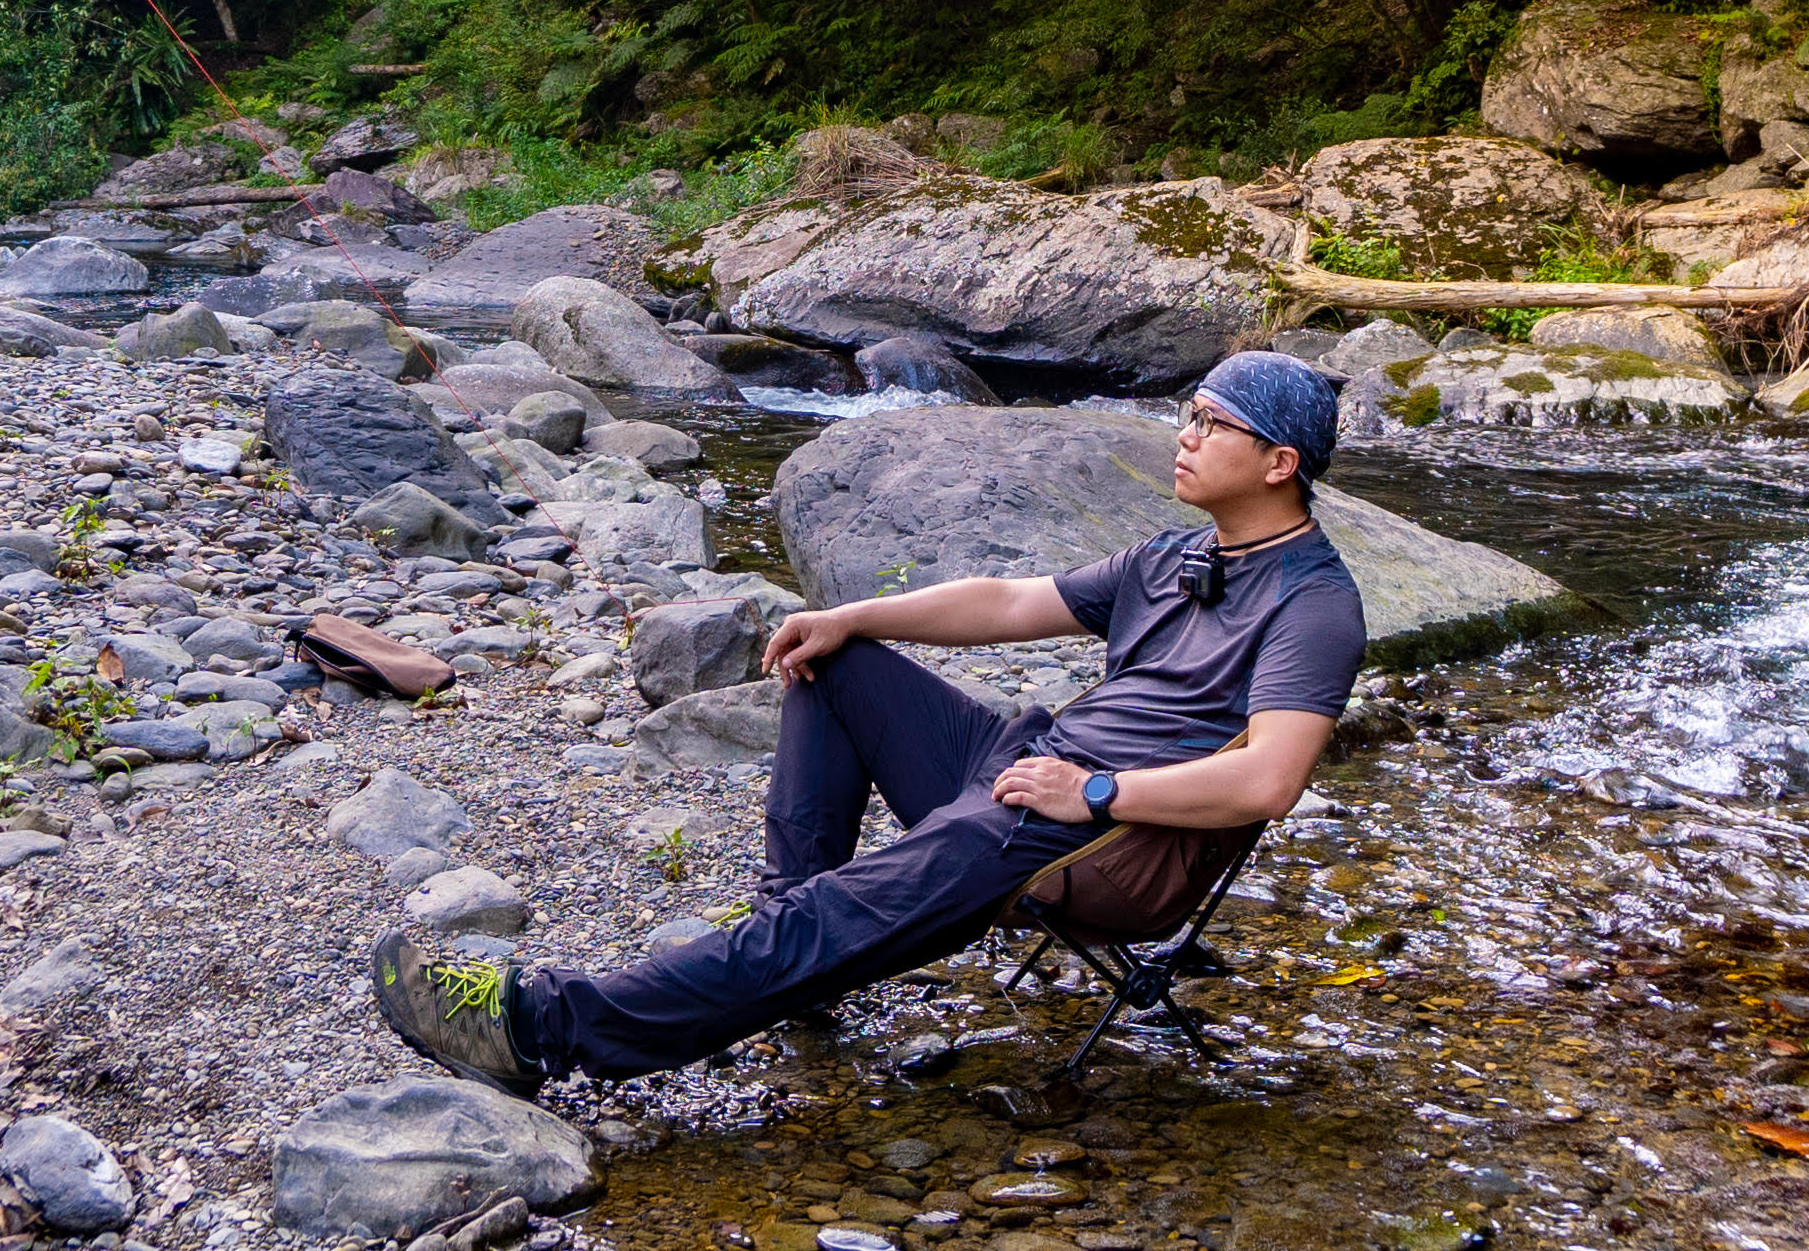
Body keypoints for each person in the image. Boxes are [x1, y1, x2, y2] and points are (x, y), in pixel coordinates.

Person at [370, 350, 1371, 1092]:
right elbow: (1010, 602)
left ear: (1279, 460)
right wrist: (850, 615)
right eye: (1186, 413)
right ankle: (791, 945)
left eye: (1210, 422)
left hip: (1107, 832)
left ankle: (537, 1029)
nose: (1184, 437)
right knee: (833, 663)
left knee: (839, 912)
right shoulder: (1175, 555)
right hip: (1034, 770)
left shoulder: (1313, 604)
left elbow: (1267, 780)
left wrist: (1097, 791)